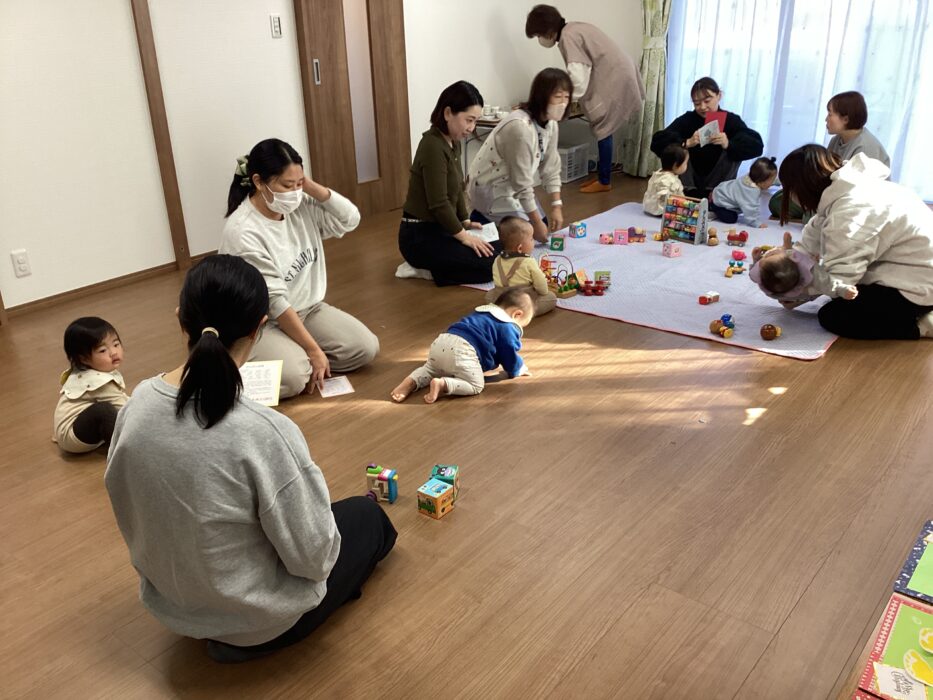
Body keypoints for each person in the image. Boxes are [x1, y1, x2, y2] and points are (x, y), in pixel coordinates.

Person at [105, 255, 397, 664]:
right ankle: (243, 636)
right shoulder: (263, 431)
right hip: (262, 625)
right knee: (368, 519)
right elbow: (317, 558)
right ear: (261, 327)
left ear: (181, 320)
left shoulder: (135, 405)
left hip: (172, 606)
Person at [220, 138, 379, 400]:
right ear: (258, 182)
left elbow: (350, 219)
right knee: (295, 376)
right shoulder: (243, 231)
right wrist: (314, 351)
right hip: (258, 322)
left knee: (365, 348)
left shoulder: (300, 204)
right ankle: (222, 368)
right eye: (286, 185)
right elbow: (274, 301)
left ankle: (291, 352)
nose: (295, 192)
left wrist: (311, 187)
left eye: (299, 183)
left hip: (308, 309)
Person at [775, 145, 933, 340]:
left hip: (918, 287)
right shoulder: (846, 188)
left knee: (834, 315)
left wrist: (798, 291)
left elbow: (841, 279)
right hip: (913, 269)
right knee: (839, 296)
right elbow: (812, 238)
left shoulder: (849, 212)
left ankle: (923, 325)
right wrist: (787, 260)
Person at [525, 4, 645, 193]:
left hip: (616, 76)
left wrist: (562, 99)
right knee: (605, 128)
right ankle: (603, 177)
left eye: (539, 35)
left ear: (547, 30)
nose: (540, 40)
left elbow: (578, 78)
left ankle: (604, 180)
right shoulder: (574, 28)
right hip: (620, 71)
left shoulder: (568, 37)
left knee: (603, 127)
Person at [398, 81, 500, 286]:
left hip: (441, 228)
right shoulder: (432, 145)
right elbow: (439, 203)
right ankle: (426, 269)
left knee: (498, 249)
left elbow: (458, 188)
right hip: (419, 236)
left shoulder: (453, 143)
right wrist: (464, 236)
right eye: (469, 120)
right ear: (447, 113)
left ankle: (441, 265)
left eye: (475, 121)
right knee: (489, 266)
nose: (471, 128)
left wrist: (465, 222)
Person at [468, 68, 571, 244]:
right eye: (558, 97)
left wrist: (556, 206)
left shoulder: (551, 125)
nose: (563, 103)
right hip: (490, 187)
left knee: (539, 227)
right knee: (525, 235)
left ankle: (495, 225)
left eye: (567, 97)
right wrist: (536, 223)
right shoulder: (520, 127)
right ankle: (481, 220)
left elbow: (551, 167)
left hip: (512, 186)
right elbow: (521, 182)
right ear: (542, 96)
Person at [390, 288, 534, 404]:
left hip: (442, 341)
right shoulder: (507, 326)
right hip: (463, 351)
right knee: (476, 385)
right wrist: (517, 369)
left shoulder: (482, 311)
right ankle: (443, 384)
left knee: (430, 369)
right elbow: (508, 352)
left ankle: (410, 382)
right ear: (517, 315)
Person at [770, 90, 891, 221]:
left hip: (853, 205)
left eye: (830, 114)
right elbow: (823, 174)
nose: (826, 119)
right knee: (778, 200)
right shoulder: (836, 140)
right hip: (833, 192)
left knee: (810, 215)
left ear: (846, 119)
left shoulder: (866, 147)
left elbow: (859, 195)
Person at [650, 77, 763, 199]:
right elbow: (657, 142)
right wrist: (686, 142)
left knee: (734, 149)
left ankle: (716, 194)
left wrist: (728, 144)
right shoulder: (687, 120)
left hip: (720, 188)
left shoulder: (731, 120)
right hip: (687, 185)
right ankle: (690, 191)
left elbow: (757, 146)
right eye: (697, 103)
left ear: (719, 96)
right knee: (678, 148)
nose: (703, 107)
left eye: (707, 101)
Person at [53, 316, 128, 453]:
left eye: (116, 344)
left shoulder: (84, 371)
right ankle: (122, 451)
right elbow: (125, 409)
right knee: (105, 410)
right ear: (84, 359)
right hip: (73, 436)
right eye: (103, 350)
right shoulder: (98, 382)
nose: (113, 352)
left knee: (109, 409)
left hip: (69, 431)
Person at [749, 232, 858, 304]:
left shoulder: (764, 275)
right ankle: (787, 249)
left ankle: (787, 249)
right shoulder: (808, 271)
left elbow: (760, 273)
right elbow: (827, 283)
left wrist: (756, 260)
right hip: (804, 293)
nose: (767, 254)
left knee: (768, 266)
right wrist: (843, 290)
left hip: (786, 293)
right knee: (820, 285)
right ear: (794, 262)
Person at [484, 216, 557, 315]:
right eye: (531, 239)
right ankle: (522, 313)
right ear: (520, 248)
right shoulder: (529, 261)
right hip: (523, 299)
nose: (533, 242)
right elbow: (541, 286)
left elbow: (497, 281)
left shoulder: (497, 259)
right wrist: (544, 292)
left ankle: (502, 309)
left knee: (489, 296)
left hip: (502, 297)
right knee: (551, 298)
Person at [709, 156, 777, 227]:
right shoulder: (751, 191)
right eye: (772, 180)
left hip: (719, 193)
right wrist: (756, 223)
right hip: (719, 202)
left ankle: (713, 207)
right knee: (731, 218)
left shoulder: (750, 178)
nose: (772, 182)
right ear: (762, 181)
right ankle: (713, 211)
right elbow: (750, 209)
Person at [642, 144, 688, 216]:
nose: (686, 166)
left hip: (648, 206)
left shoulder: (658, 173)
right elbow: (664, 195)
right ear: (675, 165)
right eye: (685, 163)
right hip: (660, 210)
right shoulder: (668, 179)